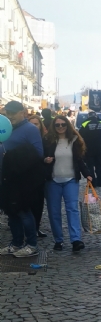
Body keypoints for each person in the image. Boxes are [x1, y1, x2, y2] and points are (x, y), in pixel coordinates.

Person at [0, 101, 44, 257]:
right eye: (8, 113)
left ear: (23, 112)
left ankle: (31, 244)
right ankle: (16, 243)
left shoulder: (30, 130)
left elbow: (38, 153)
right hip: (6, 178)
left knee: (24, 212)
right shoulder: (6, 128)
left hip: (21, 179)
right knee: (11, 212)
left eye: (13, 112)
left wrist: (12, 157)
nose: (10, 116)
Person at [43, 116, 92, 252]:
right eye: (57, 125)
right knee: (54, 212)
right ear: (54, 126)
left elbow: (80, 160)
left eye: (63, 124)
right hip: (53, 180)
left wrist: (87, 174)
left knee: (72, 210)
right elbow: (40, 156)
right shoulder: (48, 141)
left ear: (67, 125)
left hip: (71, 179)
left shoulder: (74, 141)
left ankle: (76, 240)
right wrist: (45, 160)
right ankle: (58, 240)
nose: (60, 127)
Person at [79, 111, 101, 186]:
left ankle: (92, 182)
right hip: (98, 147)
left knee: (90, 166)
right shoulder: (99, 122)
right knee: (98, 165)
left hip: (89, 148)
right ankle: (99, 180)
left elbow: (81, 132)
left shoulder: (86, 123)